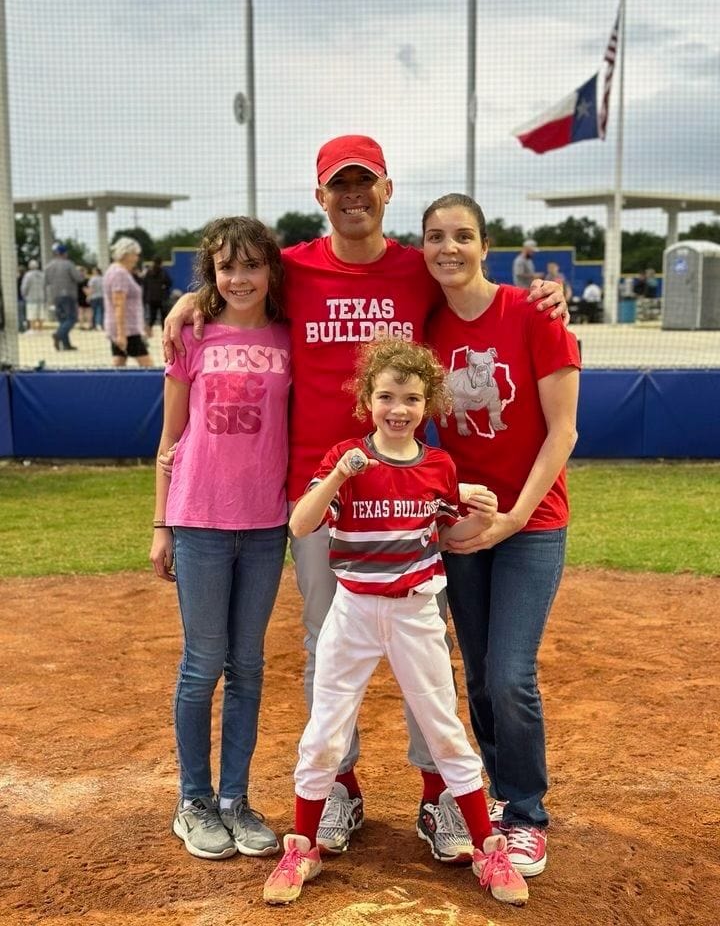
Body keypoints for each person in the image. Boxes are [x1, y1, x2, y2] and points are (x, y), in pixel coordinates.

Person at [163, 135, 568, 860]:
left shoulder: (418, 269)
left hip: (410, 491)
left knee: (424, 644)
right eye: (339, 185)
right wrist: (193, 298)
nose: (353, 196)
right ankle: (339, 787)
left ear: (387, 191)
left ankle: (438, 794)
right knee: (326, 643)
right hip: (320, 489)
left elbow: (475, 287)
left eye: (365, 183)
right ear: (320, 197)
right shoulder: (293, 269)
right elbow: (237, 282)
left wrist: (548, 292)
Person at [263, 338, 528, 908]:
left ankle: (487, 847)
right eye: (386, 397)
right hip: (354, 610)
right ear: (367, 401)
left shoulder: (438, 465)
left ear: (429, 404)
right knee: (325, 730)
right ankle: (302, 845)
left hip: (414, 611)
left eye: (411, 399)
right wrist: (338, 476)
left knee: (443, 728)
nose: (398, 409)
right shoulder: (346, 456)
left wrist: (478, 517)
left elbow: (448, 536)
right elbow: (301, 525)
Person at [423, 193, 581, 880]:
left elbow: (563, 432)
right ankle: (493, 795)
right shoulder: (426, 326)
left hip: (530, 523)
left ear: (486, 246)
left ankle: (526, 814)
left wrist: (514, 517)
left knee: (512, 674)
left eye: (463, 235)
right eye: (435, 237)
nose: (449, 248)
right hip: (464, 521)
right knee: (481, 675)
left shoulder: (533, 313)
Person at [149, 216, 291, 862]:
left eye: (251, 265)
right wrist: (161, 524)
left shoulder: (288, 336)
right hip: (200, 517)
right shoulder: (192, 335)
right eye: (226, 267)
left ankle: (234, 798)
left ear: (270, 270)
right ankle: (194, 801)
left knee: (248, 666)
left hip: (265, 523)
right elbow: (170, 439)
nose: (239, 278)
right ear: (211, 272)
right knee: (203, 663)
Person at [103, 237, 153, 367]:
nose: (137, 258)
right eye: (135, 254)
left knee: (119, 362)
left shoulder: (115, 271)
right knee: (148, 366)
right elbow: (118, 303)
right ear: (125, 254)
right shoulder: (119, 273)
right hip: (127, 329)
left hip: (123, 327)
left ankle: (110, 381)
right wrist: (121, 333)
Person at [45, 242, 85, 350]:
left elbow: (46, 281)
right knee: (72, 318)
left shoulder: (48, 266)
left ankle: (66, 344)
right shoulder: (68, 264)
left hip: (55, 295)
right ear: (64, 253)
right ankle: (58, 334)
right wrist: (82, 274)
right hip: (68, 294)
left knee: (62, 320)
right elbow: (78, 278)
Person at [144, 255, 173, 336]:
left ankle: (149, 331)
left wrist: (146, 296)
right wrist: (164, 287)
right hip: (161, 298)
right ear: (161, 263)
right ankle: (164, 333)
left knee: (152, 316)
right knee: (164, 316)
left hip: (151, 298)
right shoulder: (163, 272)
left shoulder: (149, 272)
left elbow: (145, 284)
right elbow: (169, 283)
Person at [20, 260, 47, 333]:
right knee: (41, 313)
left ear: (29, 266)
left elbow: (24, 286)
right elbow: (45, 286)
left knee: (31, 314)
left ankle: (32, 329)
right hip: (41, 297)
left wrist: (24, 294)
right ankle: (40, 329)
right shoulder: (42, 275)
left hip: (31, 297)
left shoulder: (28, 275)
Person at [86, 266, 104, 330]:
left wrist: (88, 296)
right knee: (102, 311)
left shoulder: (92, 279)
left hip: (94, 297)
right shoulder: (103, 278)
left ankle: (94, 325)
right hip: (102, 296)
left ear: (96, 272)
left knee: (93, 311)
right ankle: (102, 325)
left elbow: (91, 288)